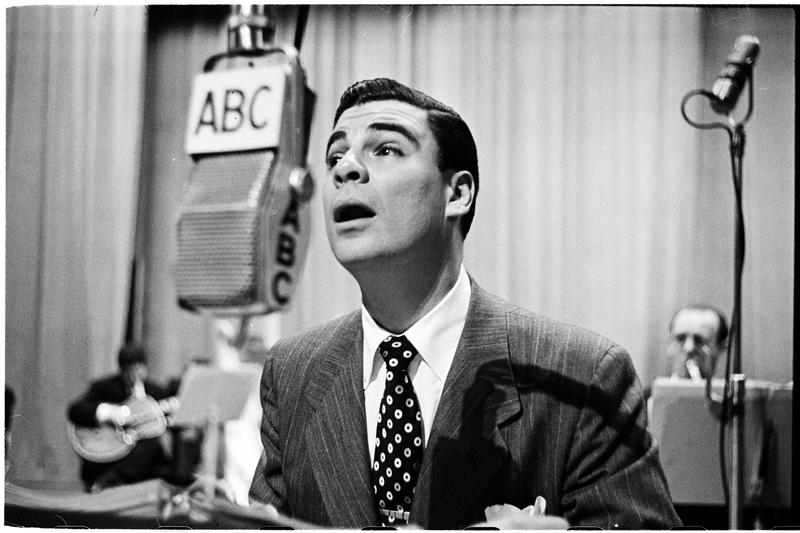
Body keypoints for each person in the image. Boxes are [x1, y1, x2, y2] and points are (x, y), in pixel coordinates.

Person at [248, 78, 680, 529]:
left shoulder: (582, 376)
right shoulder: (293, 372)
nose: (346, 169)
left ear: (457, 194)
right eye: (335, 156)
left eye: (386, 149)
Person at [67, 343, 175, 492]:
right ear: (122, 370)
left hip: (140, 459)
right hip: (107, 455)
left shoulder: (155, 391)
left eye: (138, 369)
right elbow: (75, 411)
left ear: (145, 368)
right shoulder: (104, 387)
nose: (134, 375)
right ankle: (108, 481)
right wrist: (107, 412)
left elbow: (171, 415)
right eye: (129, 371)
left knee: (153, 443)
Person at [667, 304, 728, 381]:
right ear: (669, 344)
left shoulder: (730, 389)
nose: (689, 348)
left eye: (699, 340)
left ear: (721, 348)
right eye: (680, 338)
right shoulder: (653, 389)